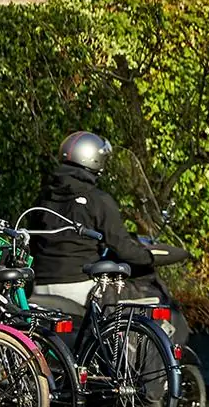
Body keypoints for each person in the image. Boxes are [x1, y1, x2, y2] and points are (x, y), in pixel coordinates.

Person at [30, 131, 158, 308]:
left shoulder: (44, 197)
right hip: (79, 286)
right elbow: (121, 247)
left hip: (40, 286)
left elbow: (33, 243)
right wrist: (149, 258)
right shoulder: (97, 200)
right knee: (144, 297)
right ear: (95, 159)